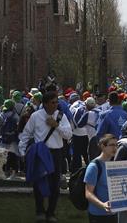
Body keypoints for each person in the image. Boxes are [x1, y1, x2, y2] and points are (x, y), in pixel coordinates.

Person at [20, 90, 73, 223]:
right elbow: (26, 133)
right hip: (41, 152)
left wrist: (56, 126)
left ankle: (51, 212)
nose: (55, 105)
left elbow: (68, 135)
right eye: (52, 103)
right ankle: (40, 211)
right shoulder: (36, 116)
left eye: (56, 102)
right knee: (38, 182)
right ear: (45, 104)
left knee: (55, 184)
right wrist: (22, 151)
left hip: (56, 152)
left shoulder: (61, 116)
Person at [85, 134, 118, 223]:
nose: (115, 148)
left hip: (114, 213)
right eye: (111, 145)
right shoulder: (94, 167)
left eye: (116, 145)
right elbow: (88, 193)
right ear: (103, 146)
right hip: (98, 215)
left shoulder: (115, 165)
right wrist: (102, 205)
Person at [0, 99, 20, 178]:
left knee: (3, 157)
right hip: (13, 140)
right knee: (13, 155)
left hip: (3, 139)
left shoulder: (1, 115)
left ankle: (4, 171)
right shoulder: (16, 116)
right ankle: (14, 171)